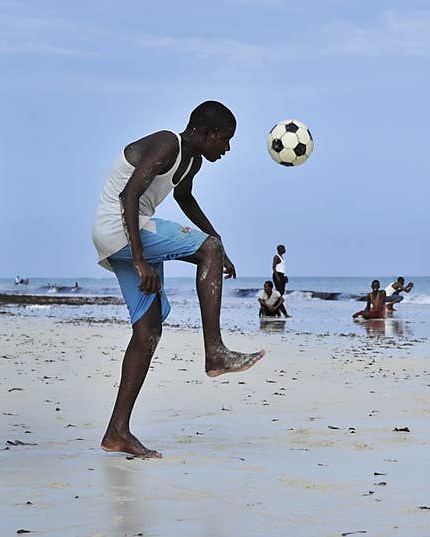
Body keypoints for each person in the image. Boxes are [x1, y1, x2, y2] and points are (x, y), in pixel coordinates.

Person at [92, 100, 265, 458]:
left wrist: (219, 245)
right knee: (208, 250)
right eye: (225, 139)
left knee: (148, 331)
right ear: (204, 133)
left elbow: (186, 201)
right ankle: (215, 353)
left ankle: (117, 432)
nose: (228, 148)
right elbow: (129, 195)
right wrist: (141, 260)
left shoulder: (192, 161)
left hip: (127, 234)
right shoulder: (168, 144)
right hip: (122, 227)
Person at [271, 244, 290, 317]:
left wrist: (284, 277)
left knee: (280, 293)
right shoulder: (276, 257)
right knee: (279, 294)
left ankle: (275, 310)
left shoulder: (282, 257)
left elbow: (281, 267)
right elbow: (273, 267)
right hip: (277, 275)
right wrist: (277, 277)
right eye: (284, 248)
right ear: (280, 249)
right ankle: (283, 313)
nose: (285, 249)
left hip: (281, 275)